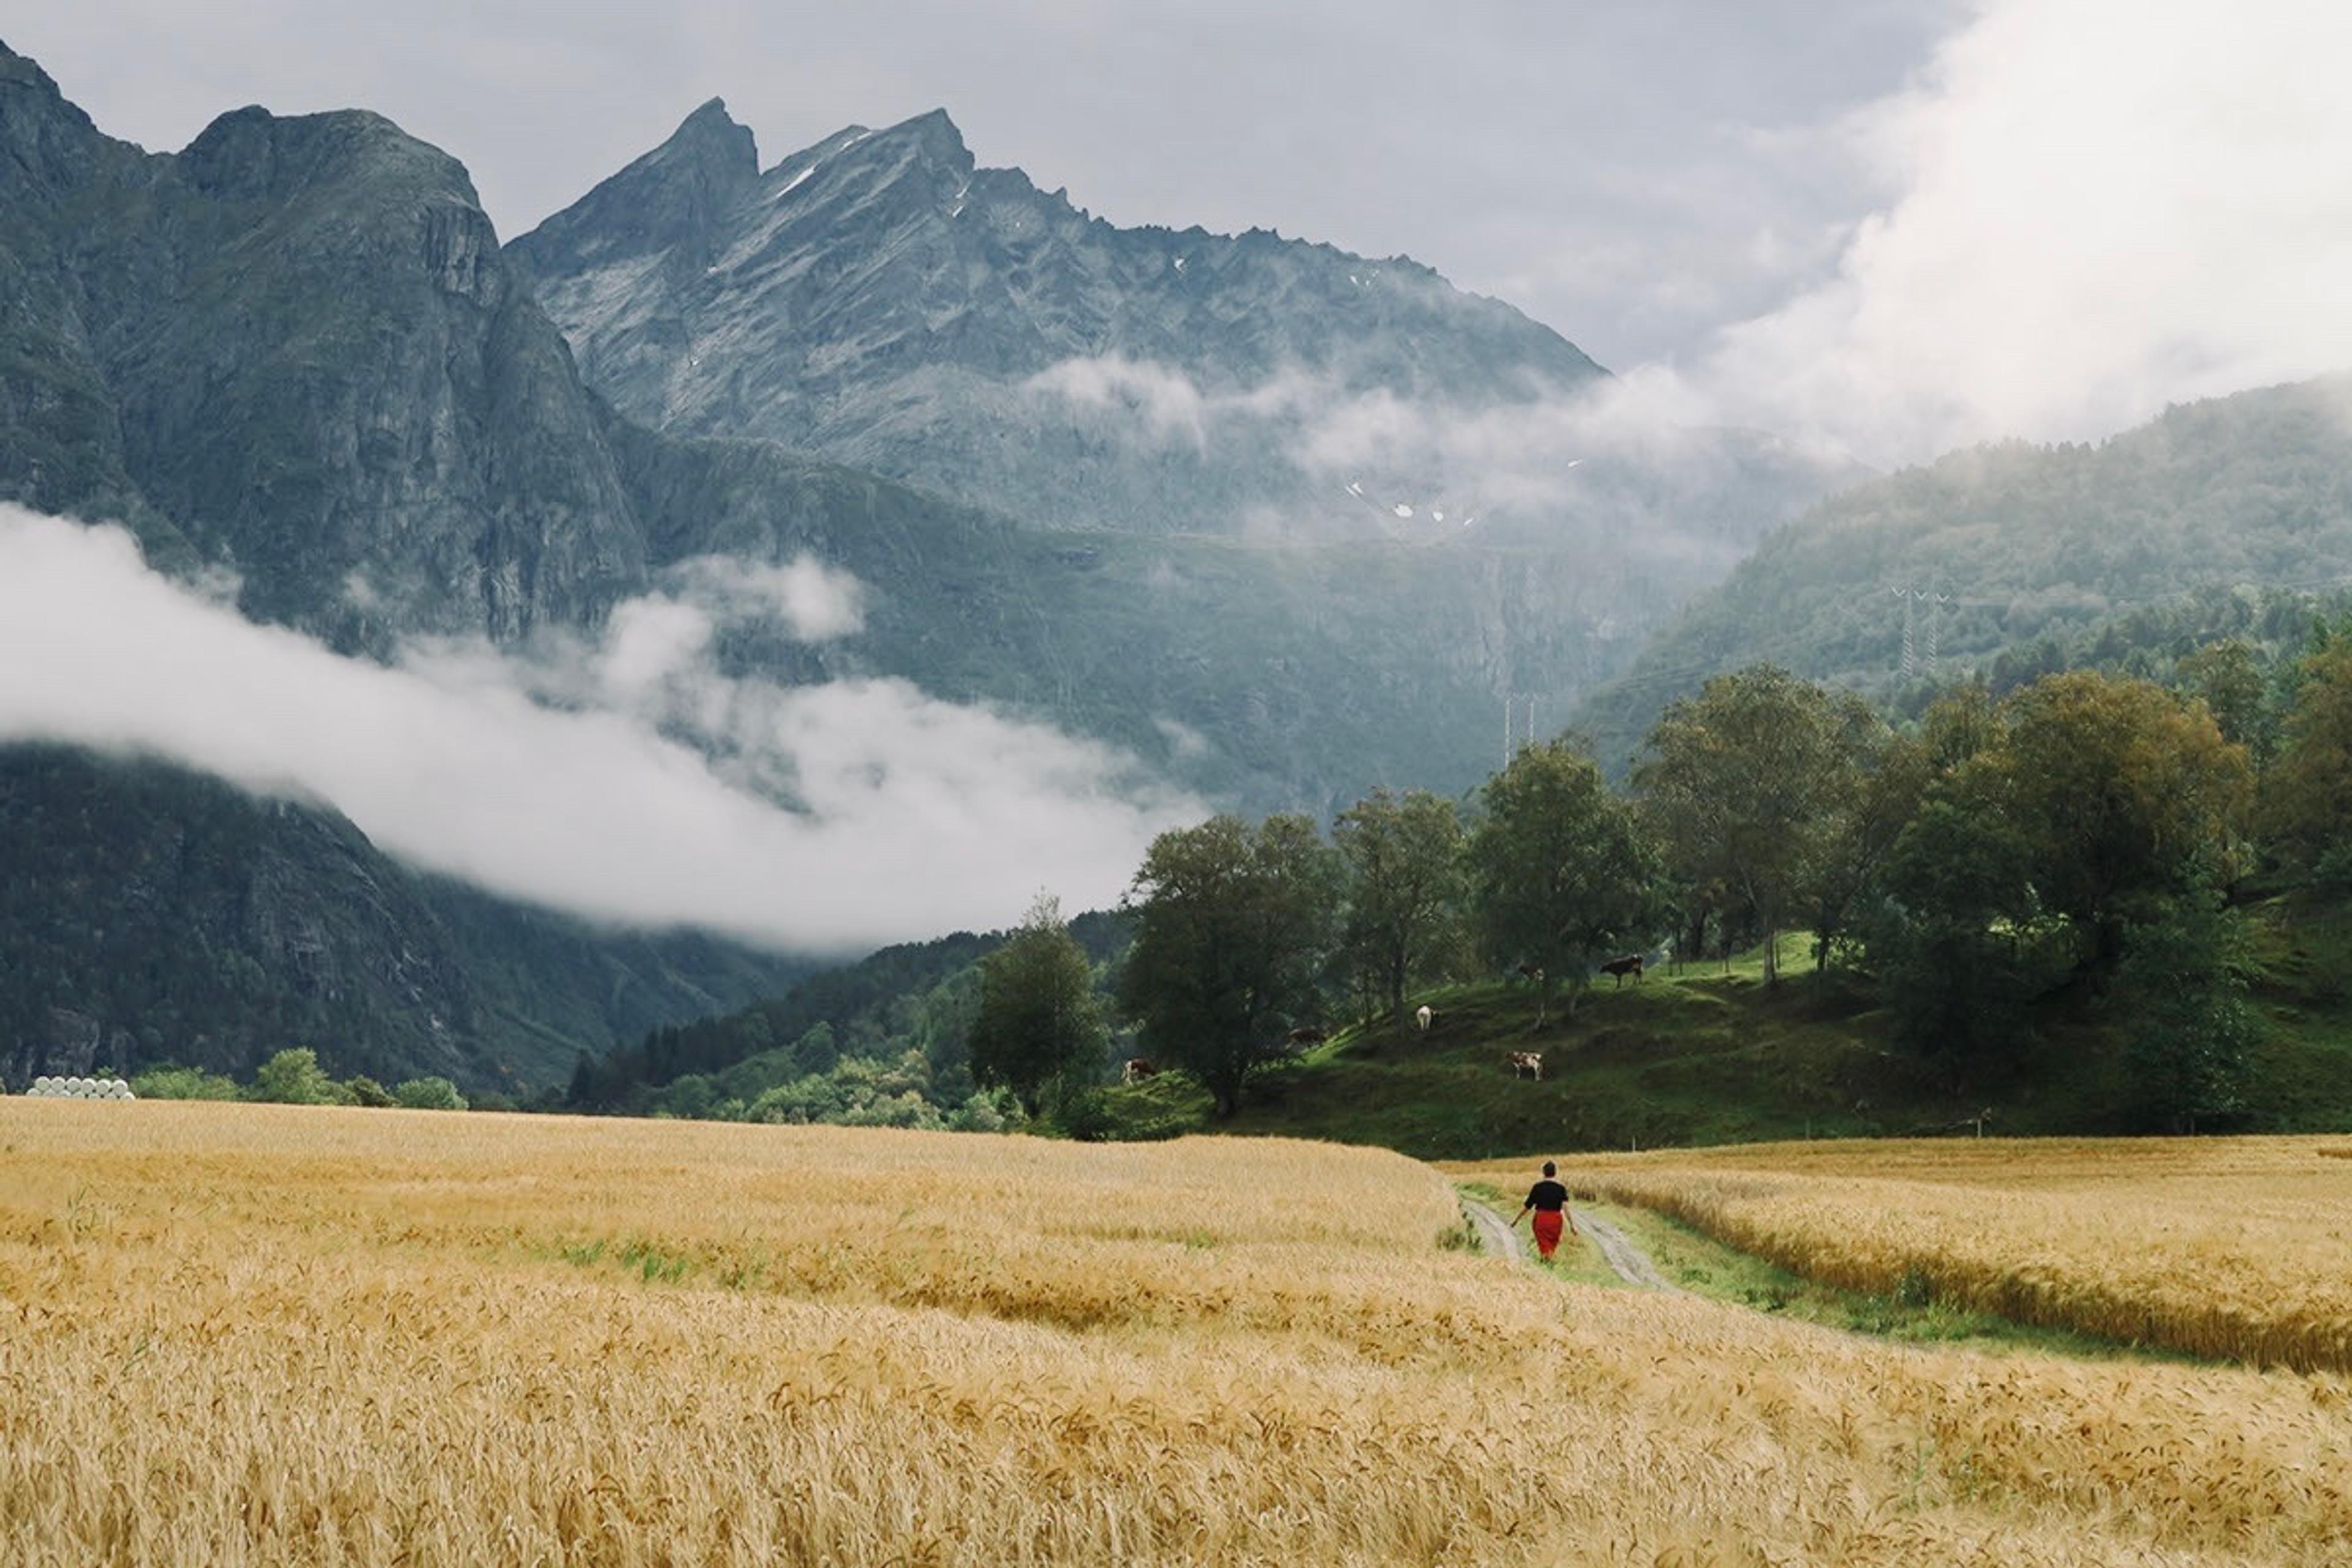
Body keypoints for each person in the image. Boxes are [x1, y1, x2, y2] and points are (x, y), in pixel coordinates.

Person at [1518, 1160, 1578, 1261]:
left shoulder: (1537, 1187)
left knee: (1543, 1243)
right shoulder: (1561, 1188)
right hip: (1556, 1219)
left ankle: (1546, 1261)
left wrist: (1517, 1219)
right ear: (1555, 1172)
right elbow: (1566, 1208)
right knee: (1552, 1243)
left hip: (1542, 1218)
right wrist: (1572, 1225)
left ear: (1543, 1172)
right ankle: (1548, 1261)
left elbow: (1528, 1206)